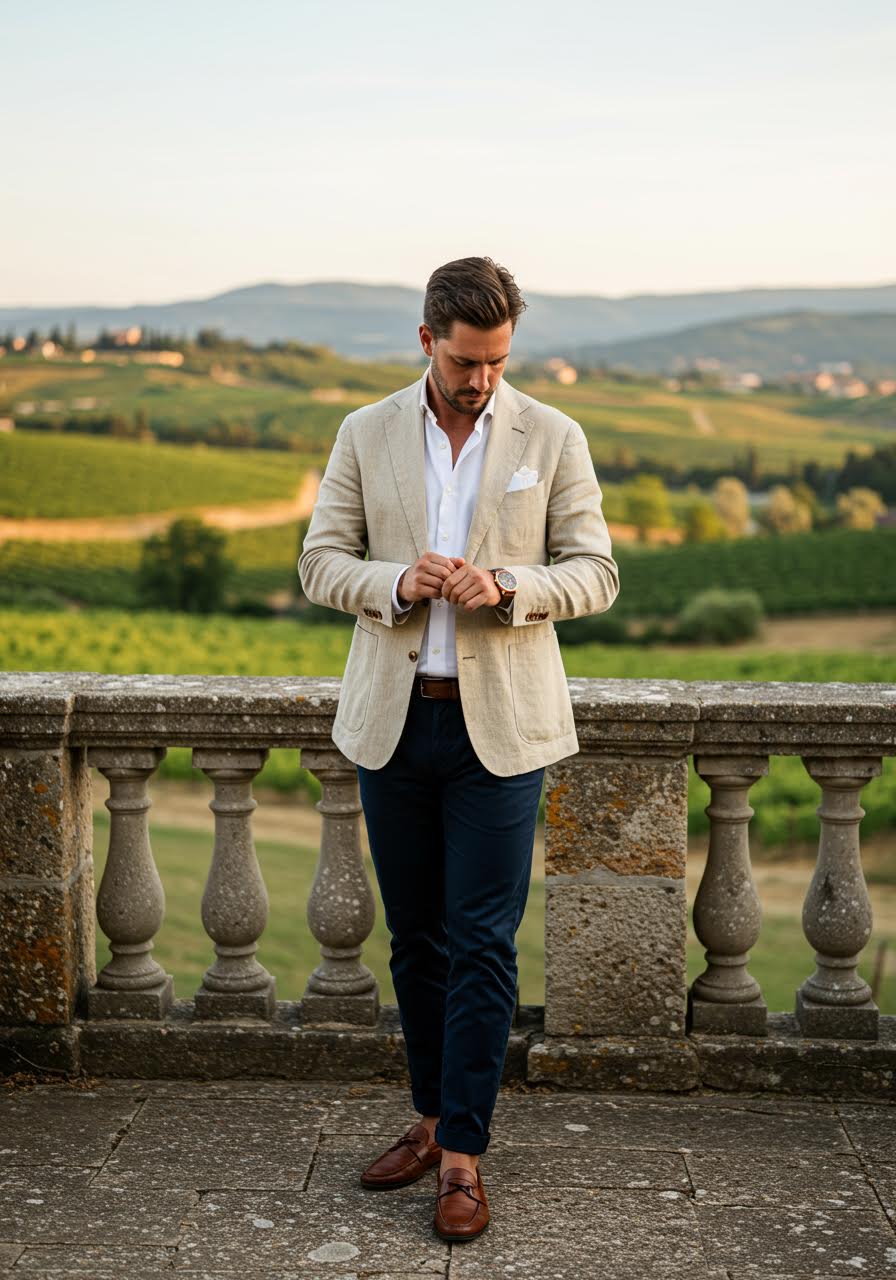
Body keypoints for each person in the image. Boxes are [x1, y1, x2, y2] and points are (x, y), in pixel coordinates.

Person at [298, 256, 619, 1240]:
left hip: (500, 728)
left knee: (482, 940)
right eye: (465, 360)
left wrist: (509, 586)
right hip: (396, 722)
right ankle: (430, 1114)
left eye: (496, 361)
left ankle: (463, 1156)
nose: (480, 380)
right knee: (416, 939)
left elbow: (594, 571)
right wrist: (397, 581)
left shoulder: (550, 435)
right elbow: (319, 562)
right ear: (426, 339)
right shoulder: (364, 431)